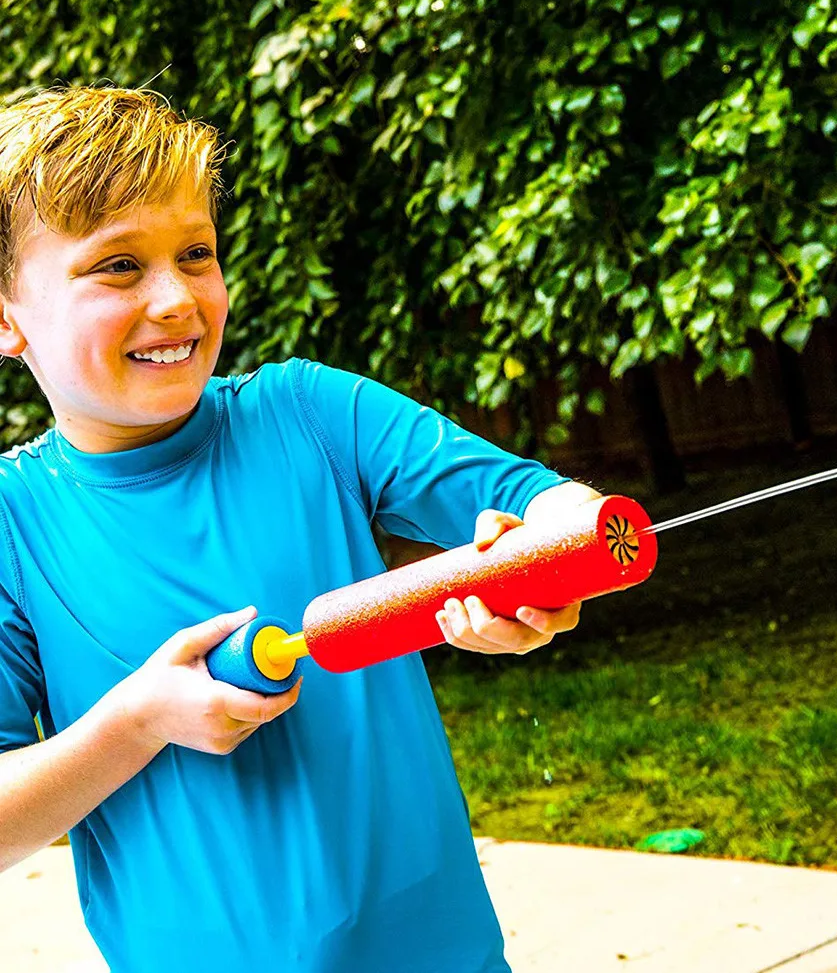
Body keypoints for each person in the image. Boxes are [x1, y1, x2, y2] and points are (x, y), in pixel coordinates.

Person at [0, 86, 601, 971]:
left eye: (195, 253)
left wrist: (547, 564)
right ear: (8, 317)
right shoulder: (14, 524)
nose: (174, 298)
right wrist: (136, 721)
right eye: (118, 266)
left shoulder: (311, 412)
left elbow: (551, 505)